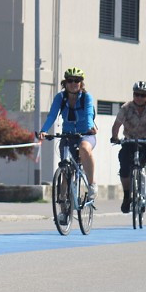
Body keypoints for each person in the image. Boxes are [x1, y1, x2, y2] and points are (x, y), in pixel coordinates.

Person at [36, 67, 98, 199]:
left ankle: (92, 183)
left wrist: (89, 127)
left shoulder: (86, 97)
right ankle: (64, 211)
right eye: (70, 80)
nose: (73, 83)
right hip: (68, 135)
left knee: (84, 148)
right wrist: (44, 131)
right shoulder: (60, 97)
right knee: (66, 172)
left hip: (86, 134)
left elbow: (88, 114)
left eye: (77, 80)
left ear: (81, 83)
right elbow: (52, 115)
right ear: (65, 83)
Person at [109, 80, 146, 213]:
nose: (139, 98)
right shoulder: (126, 107)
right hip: (130, 141)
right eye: (136, 94)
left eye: (143, 95)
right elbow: (116, 124)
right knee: (124, 166)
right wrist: (115, 137)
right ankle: (127, 195)